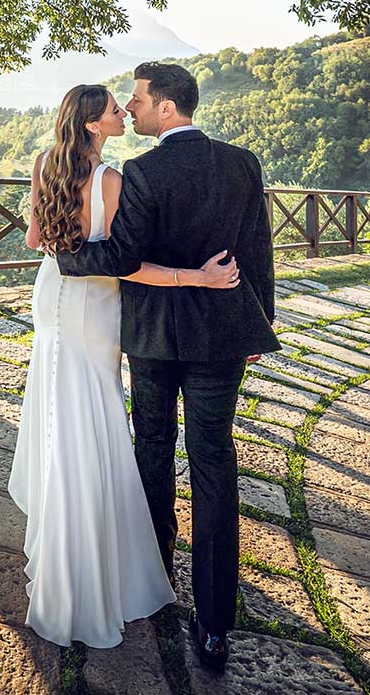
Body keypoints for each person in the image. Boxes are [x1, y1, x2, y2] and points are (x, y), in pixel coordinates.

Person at [51, 61, 280, 673]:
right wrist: (263, 322)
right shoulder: (243, 164)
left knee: (152, 447)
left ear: (167, 109)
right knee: (214, 462)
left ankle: (156, 577)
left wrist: (62, 256)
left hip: (152, 338)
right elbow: (259, 249)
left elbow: (122, 255)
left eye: (140, 100)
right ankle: (213, 624)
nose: (133, 108)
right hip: (222, 337)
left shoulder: (141, 171)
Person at [8, 83, 245, 649]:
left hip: (55, 299)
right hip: (96, 310)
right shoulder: (115, 179)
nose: (123, 112)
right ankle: (115, 553)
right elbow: (127, 263)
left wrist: (67, 254)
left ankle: (70, 535)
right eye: (115, 108)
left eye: (127, 103)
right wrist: (198, 278)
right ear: (93, 124)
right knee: (101, 416)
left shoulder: (47, 164)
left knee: (64, 413)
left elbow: (37, 239)